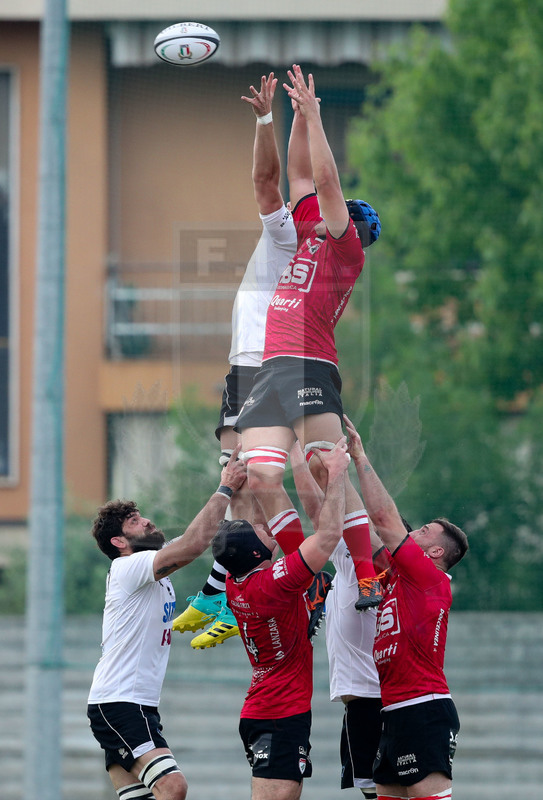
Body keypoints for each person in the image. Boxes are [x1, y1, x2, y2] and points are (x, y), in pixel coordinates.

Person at [236, 64, 383, 611]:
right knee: (259, 476)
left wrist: (317, 118)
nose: (316, 215)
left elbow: (322, 182)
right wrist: (291, 116)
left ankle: (366, 574)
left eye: (330, 214)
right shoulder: (309, 233)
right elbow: (296, 179)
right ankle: (309, 573)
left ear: (353, 230)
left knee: (327, 465)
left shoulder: (345, 250)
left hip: (309, 364)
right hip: (274, 366)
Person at [171, 72, 297, 649]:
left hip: (266, 370)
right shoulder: (326, 254)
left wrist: (268, 119)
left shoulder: (291, 241)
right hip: (249, 369)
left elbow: (268, 180)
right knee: (235, 481)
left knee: (252, 481)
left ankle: (241, 586)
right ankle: (223, 585)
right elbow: (283, 180)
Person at [86, 450, 246, 800]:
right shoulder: (129, 567)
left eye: (141, 516)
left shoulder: (148, 567)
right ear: (119, 543)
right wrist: (225, 487)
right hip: (120, 702)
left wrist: (240, 495)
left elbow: (203, 535)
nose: (146, 522)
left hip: (136, 705)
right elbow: (193, 544)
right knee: (173, 786)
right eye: (134, 522)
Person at [211, 438, 351, 800]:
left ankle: (312, 598)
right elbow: (330, 534)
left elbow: (251, 519)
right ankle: (314, 595)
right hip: (279, 715)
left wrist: (243, 464)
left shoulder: (235, 579)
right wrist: (336, 475)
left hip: (267, 709)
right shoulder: (274, 583)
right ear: (256, 551)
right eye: (259, 534)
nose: (265, 527)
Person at [343, 414, 468, 800]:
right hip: (393, 710)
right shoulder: (398, 575)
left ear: (433, 552)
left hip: (423, 709)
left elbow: (383, 519)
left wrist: (360, 456)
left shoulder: (427, 578)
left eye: (423, 532)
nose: (412, 533)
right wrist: (333, 472)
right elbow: (358, 522)